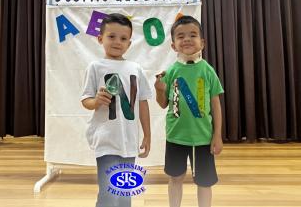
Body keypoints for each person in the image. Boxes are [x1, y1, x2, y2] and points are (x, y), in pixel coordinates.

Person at [81, 13, 152, 207]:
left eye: (123, 38)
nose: (117, 42)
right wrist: (95, 102)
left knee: (123, 194)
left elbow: (143, 103)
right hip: (105, 139)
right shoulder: (95, 67)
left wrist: (147, 134)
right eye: (111, 36)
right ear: (100, 38)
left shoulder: (136, 68)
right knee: (108, 194)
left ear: (129, 43)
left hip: (129, 141)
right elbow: (85, 100)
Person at [154, 15, 224, 207]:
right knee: (175, 177)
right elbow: (162, 104)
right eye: (180, 36)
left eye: (192, 35)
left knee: (204, 182)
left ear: (202, 42)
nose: (186, 39)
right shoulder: (170, 72)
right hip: (176, 136)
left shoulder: (208, 71)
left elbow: (216, 105)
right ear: (173, 45)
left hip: (203, 137)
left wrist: (217, 135)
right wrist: (159, 90)